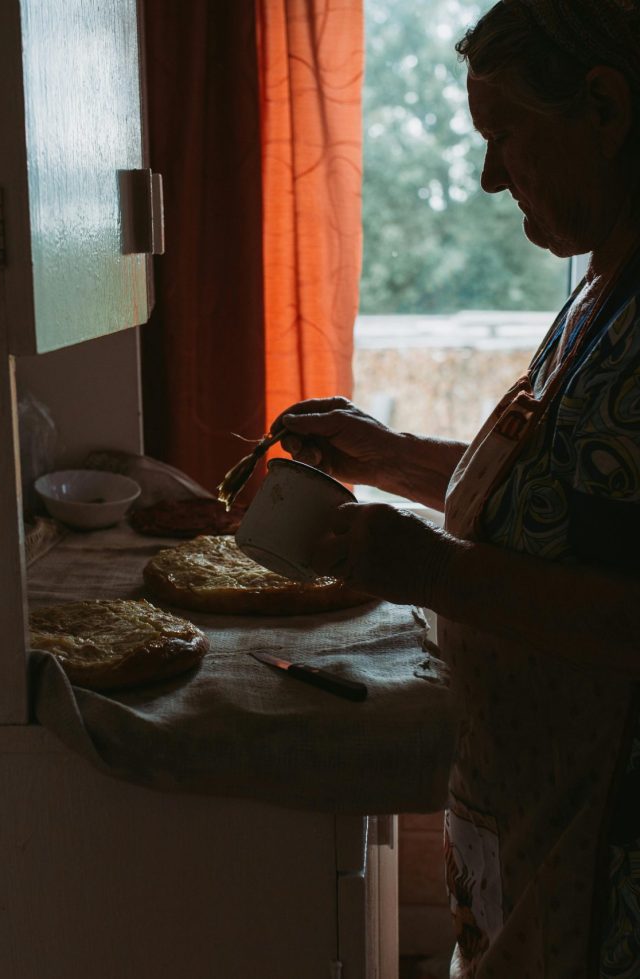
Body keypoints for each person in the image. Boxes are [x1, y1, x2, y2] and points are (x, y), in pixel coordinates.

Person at [273, 1, 640, 976]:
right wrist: (390, 457)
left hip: (610, 857)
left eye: (503, 134)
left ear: (604, 109)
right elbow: (551, 503)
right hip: (536, 815)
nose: (487, 176)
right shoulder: (604, 288)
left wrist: (430, 569)